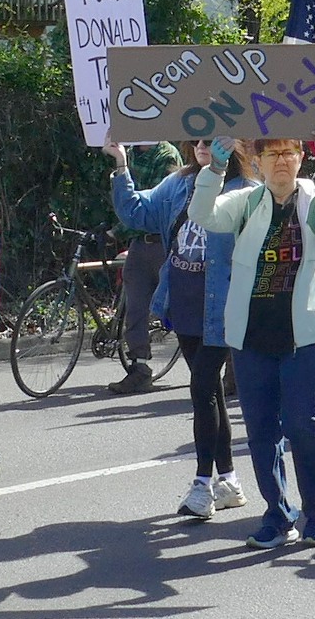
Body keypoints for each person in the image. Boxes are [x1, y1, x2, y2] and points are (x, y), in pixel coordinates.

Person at [189, 129, 315, 549]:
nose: (282, 161)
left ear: (302, 157)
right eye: (272, 155)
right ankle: (277, 514)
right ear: (258, 161)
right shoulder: (247, 201)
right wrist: (213, 170)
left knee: (302, 425)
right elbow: (205, 215)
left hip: (306, 333)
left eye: (289, 152)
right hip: (252, 336)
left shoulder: (314, 199)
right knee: (261, 430)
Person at [105, 135, 254, 519]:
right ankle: (230, 481)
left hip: (223, 306)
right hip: (184, 302)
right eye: (198, 139)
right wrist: (120, 165)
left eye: (213, 139)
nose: (203, 145)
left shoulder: (246, 190)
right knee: (210, 396)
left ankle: (202, 485)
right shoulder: (178, 182)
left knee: (203, 386)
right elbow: (137, 213)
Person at [107, 141, 183, 394]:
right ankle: (140, 368)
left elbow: (158, 207)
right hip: (140, 242)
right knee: (135, 307)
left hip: (163, 242)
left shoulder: (167, 155)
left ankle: (213, 365)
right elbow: (129, 205)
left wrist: (118, 229)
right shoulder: (129, 154)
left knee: (180, 306)